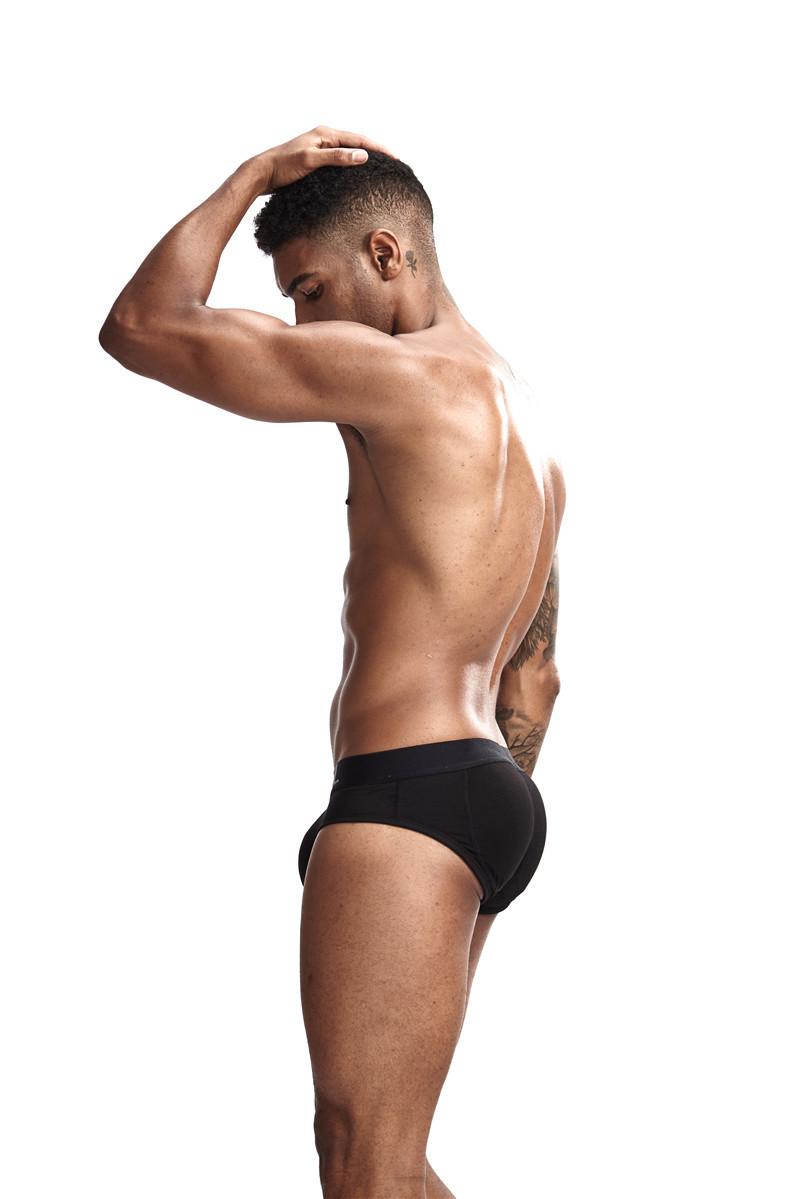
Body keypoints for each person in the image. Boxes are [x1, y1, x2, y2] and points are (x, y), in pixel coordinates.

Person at [99, 125, 566, 1199]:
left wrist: (255, 174)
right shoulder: (533, 439)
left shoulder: (398, 378)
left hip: (405, 793)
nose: (305, 323)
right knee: (391, 1160)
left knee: (364, 1164)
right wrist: (475, 817)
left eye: (309, 289)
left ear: (387, 255)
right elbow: (536, 679)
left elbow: (142, 325)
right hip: (489, 798)